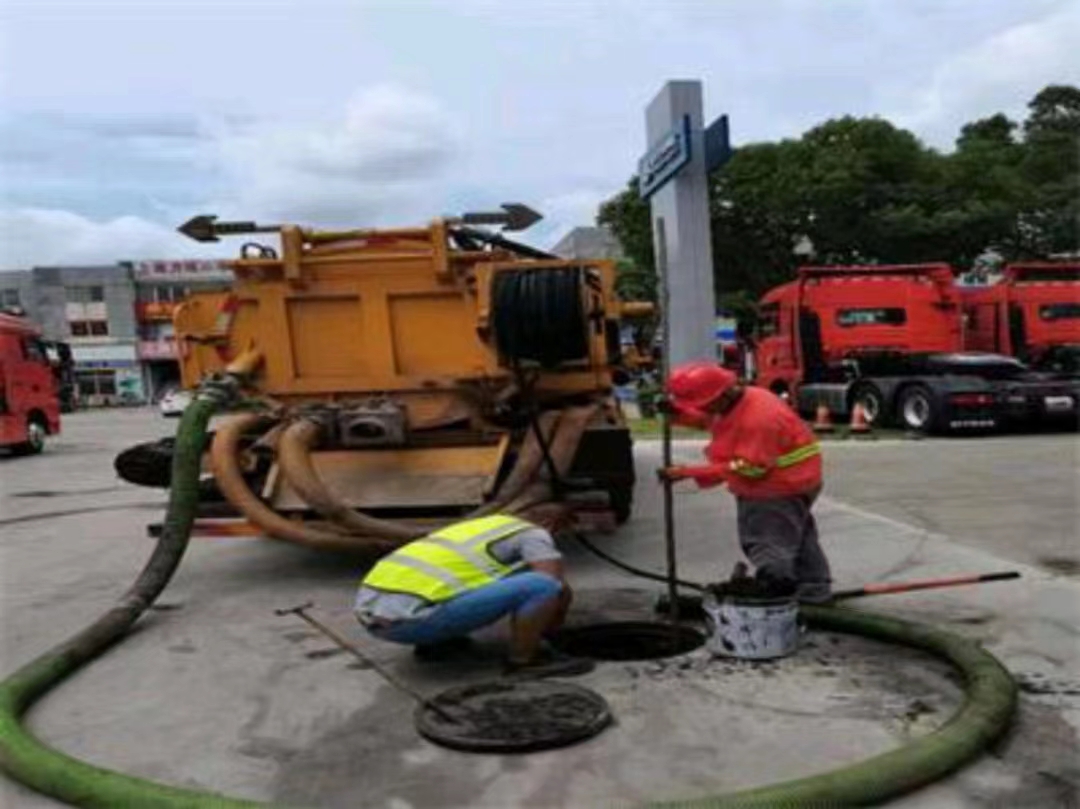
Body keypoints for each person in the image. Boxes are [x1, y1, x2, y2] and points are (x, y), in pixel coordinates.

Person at [658, 361, 831, 603]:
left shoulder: (758, 419)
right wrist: (679, 413)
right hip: (797, 480)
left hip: (774, 488)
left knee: (768, 542)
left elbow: (749, 468)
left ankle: (776, 590)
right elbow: (710, 419)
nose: (703, 408)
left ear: (721, 394)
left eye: (703, 403)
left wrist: (688, 472)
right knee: (796, 537)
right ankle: (814, 589)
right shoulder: (742, 399)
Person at [354, 509, 593, 678]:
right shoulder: (534, 533)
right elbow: (552, 581)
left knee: (481, 579)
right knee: (541, 586)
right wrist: (551, 626)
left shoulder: (485, 525)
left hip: (373, 618)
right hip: (415, 623)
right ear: (552, 525)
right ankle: (524, 663)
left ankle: (438, 645)